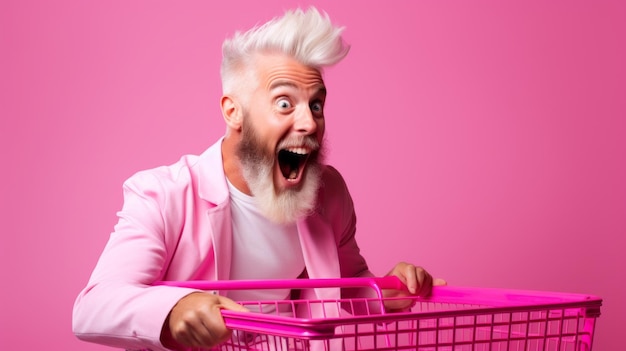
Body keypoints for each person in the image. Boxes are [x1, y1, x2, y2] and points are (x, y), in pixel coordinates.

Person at [73, 7, 445, 351]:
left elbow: (346, 285)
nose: (310, 123)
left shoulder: (328, 193)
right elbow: (93, 306)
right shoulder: (163, 194)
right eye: (285, 103)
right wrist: (174, 309)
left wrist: (388, 292)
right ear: (234, 112)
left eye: (316, 104)